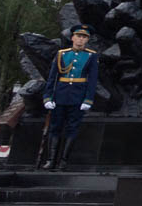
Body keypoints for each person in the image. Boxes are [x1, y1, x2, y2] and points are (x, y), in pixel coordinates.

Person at [39, 25, 98, 171]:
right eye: (78, 36)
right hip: (60, 95)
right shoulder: (61, 54)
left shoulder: (91, 56)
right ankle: (51, 160)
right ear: (72, 38)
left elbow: (92, 80)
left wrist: (88, 100)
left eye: (84, 37)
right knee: (55, 128)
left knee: (72, 129)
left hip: (78, 97)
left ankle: (63, 161)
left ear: (87, 40)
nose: (80, 39)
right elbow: (53, 78)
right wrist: (48, 98)